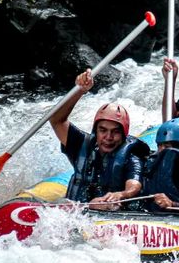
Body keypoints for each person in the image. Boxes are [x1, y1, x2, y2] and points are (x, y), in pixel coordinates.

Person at [49, 69, 150, 207]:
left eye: (115, 132)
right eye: (103, 130)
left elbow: (134, 185)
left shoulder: (131, 157)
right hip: (74, 212)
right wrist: (79, 91)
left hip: (106, 215)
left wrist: (121, 195)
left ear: (124, 134)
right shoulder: (80, 144)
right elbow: (56, 120)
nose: (108, 137)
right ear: (95, 130)